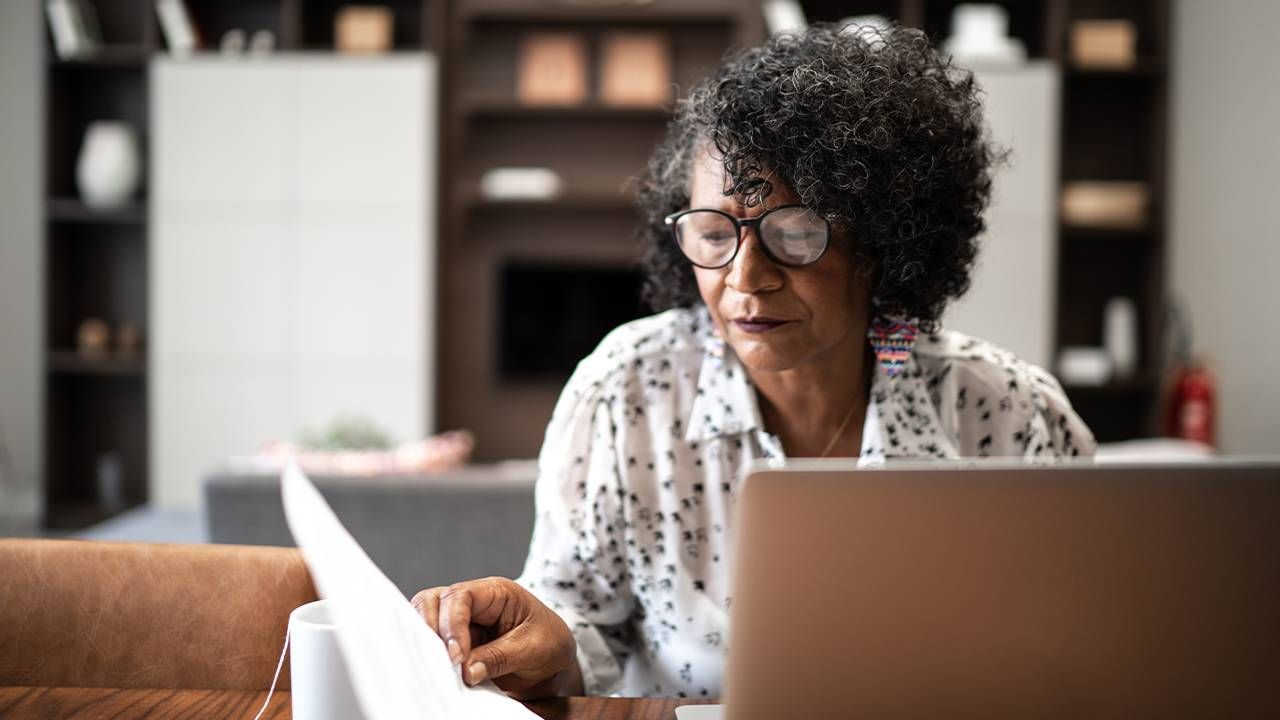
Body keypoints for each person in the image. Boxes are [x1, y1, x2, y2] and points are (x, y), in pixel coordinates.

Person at [412, 23, 1095, 699]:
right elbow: (581, 637)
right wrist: (542, 645)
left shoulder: (1009, 416)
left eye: (795, 235)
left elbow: (1078, 655)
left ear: (883, 242)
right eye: (713, 233)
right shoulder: (627, 391)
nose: (744, 277)